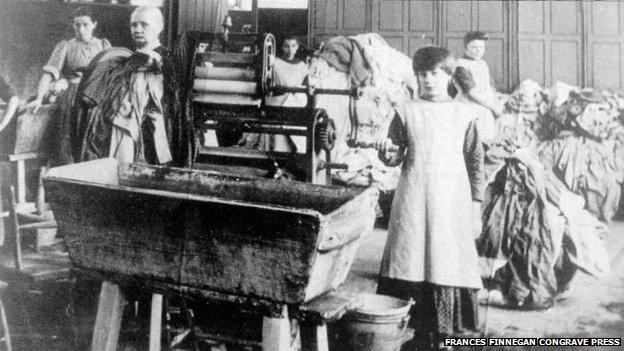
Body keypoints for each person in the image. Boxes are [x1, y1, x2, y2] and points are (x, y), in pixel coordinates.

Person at [374, 46, 485, 350]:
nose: (427, 80)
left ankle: (445, 336)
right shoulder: (406, 110)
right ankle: (420, 336)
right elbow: (395, 155)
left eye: (434, 73)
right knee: (412, 259)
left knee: (446, 260)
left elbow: (476, 165)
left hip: (451, 201)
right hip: (413, 198)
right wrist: (388, 154)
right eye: (422, 74)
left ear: (448, 75)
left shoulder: (465, 113)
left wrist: (476, 207)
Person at [73, 6, 172, 165]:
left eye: (144, 24)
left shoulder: (165, 62)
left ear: (159, 27)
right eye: (134, 25)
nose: (137, 29)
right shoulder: (125, 60)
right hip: (115, 128)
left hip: (145, 134)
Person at [27, 7, 110, 165]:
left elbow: (111, 74)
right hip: (72, 99)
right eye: (77, 25)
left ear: (94, 24)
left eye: (85, 24)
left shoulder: (103, 45)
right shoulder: (65, 46)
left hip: (96, 100)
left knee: (92, 143)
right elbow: (48, 73)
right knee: (68, 146)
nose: (81, 29)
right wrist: (39, 98)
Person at [455, 31, 506, 141]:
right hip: (468, 102)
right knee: (485, 115)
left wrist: (496, 99)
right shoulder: (461, 65)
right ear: (466, 48)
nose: (478, 51)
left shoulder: (482, 63)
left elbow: (488, 86)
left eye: (481, 48)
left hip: (483, 100)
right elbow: (471, 93)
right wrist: (492, 106)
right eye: (474, 47)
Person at [262, 35, 309, 152]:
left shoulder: (302, 65)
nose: (290, 50)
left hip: (295, 100)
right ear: (282, 48)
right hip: (278, 98)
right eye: (286, 46)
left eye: (293, 46)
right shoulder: (275, 63)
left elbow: (305, 85)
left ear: (298, 47)